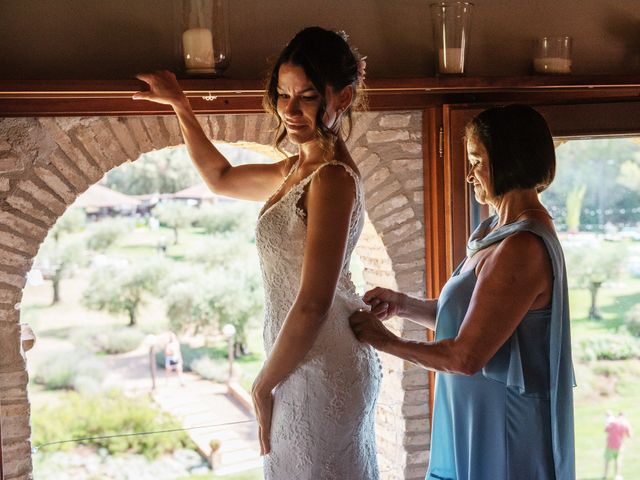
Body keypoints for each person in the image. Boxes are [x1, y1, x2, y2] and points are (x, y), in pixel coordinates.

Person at [133, 27, 381, 479]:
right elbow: (221, 177)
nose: (289, 110)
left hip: (323, 362)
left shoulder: (332, 180)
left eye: (306, 97)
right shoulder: (295, 169)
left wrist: (263, 383)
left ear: (342, 99)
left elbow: (313, 303)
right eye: (283, 94)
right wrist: (179, 106)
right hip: (293, 359)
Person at [350, 105, 575, 479]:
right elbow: (473, 320)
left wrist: (384, 342)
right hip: (469, 411)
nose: (470, 175)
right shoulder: (492, 232)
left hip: (503, 425)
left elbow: (466, 356)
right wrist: (403, 305)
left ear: (509, 159)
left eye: (477, 161)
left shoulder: (523, 247)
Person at [603, 411, 632, 480]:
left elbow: (606, 430)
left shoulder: (613, 422)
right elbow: (629, 435)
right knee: (617, 461)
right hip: (619, 445)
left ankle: (605, 475)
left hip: (610, 445)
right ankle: (617, 476)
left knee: (607, 460)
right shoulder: (625, 424)